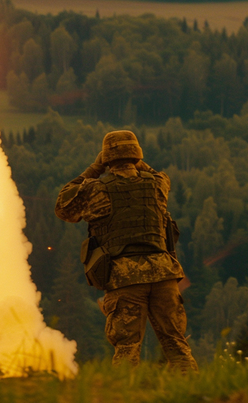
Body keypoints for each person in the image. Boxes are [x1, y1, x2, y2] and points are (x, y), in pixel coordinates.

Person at [55, 130, 198, 372]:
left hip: (125, 278)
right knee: (177, 346)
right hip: (164, 275)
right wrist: (137, 162)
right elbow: (157, 175)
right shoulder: (158, 185)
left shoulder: (95, 189)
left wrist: (94, 168)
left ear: (106, 158)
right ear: (137, 155)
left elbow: (63, 207)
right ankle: (196, 393)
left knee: (127, 349)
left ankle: (125, 396)